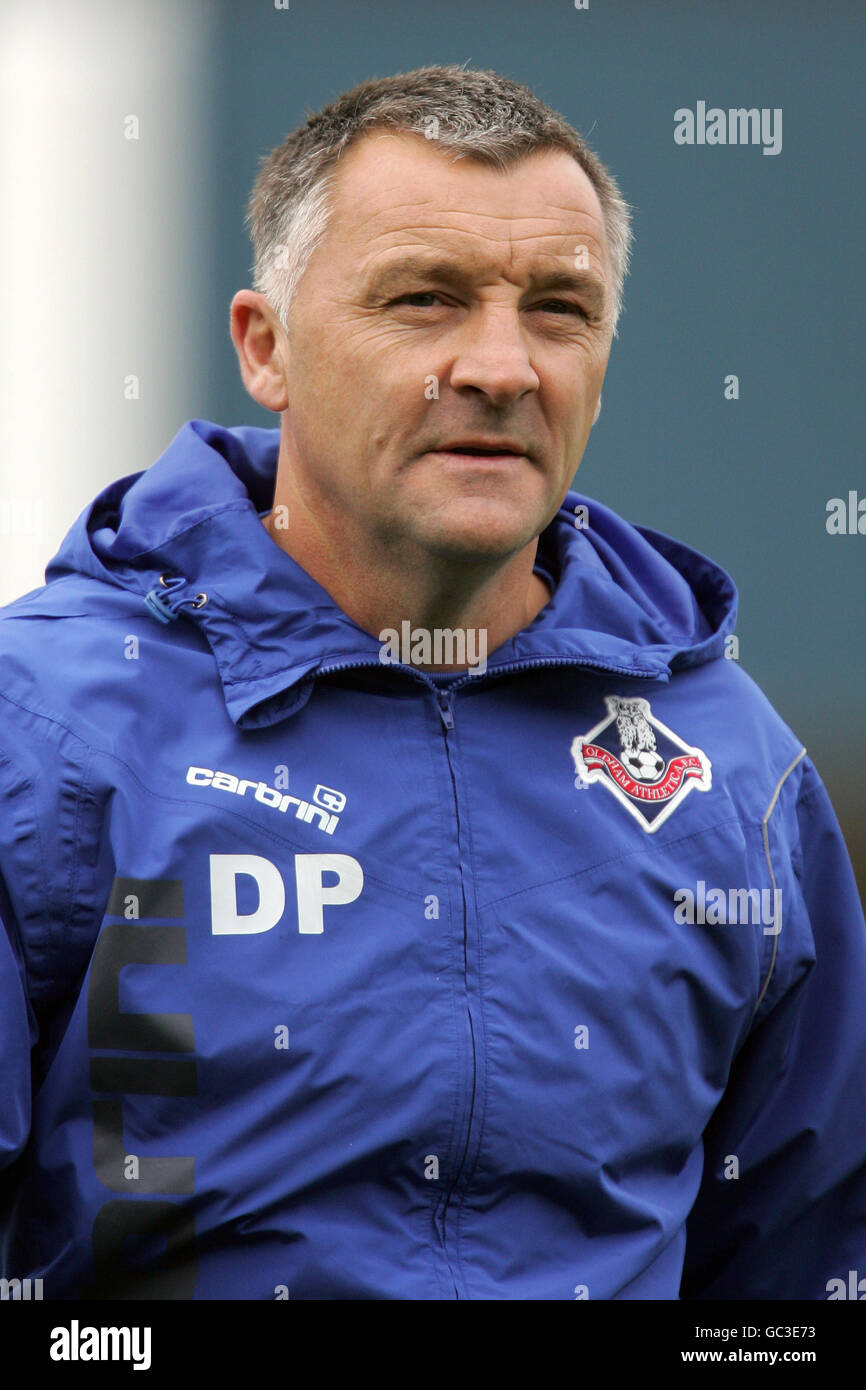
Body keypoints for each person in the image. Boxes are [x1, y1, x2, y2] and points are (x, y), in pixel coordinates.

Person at [1, 63, 864, 1302]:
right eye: (425, 300)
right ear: (267, 345)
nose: (503, 367)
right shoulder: (42, 731)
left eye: (559, 310)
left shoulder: (730, 769)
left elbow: (804, 1271)